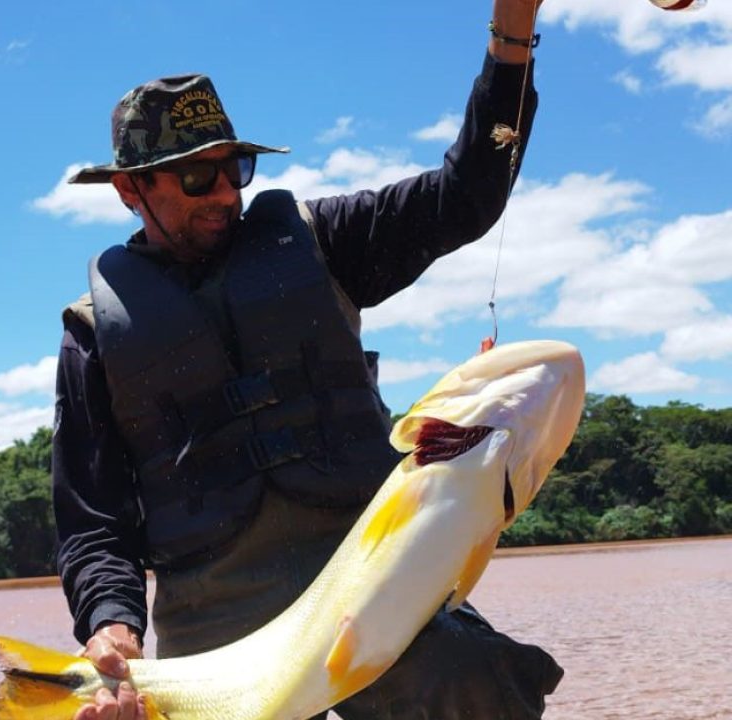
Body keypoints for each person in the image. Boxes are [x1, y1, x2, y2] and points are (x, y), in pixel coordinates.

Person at [52, 1, 563, 718]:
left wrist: (512, 31)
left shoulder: (322, 241)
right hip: (214, 612)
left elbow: (469, 192)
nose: (226, 192)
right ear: (131, 189)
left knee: (474, 679)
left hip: (369, 574)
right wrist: (111, 623)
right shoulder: (91, 335)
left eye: (236, 168)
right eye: (197, 179)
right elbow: (94, 518)